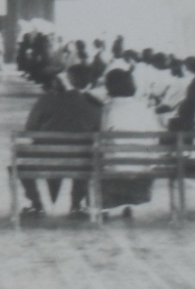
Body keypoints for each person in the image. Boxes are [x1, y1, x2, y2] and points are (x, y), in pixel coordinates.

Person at [20, 64, 103, 216]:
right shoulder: (95, 105)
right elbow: (98, 133)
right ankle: (76, 204)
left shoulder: (46, 100)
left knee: (20, 162)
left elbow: (30, 129)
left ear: (68, 80)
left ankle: (36, 203)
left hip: (44, 159)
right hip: (81, 162)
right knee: (87, 153)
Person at [100, 69, 162, 214]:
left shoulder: (107, 109)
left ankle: (109, 204)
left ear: (108, 87)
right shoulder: (145, 108)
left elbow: (102, 137)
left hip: (115, 169)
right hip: (142, 169)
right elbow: (156, 136)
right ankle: (129, 203)